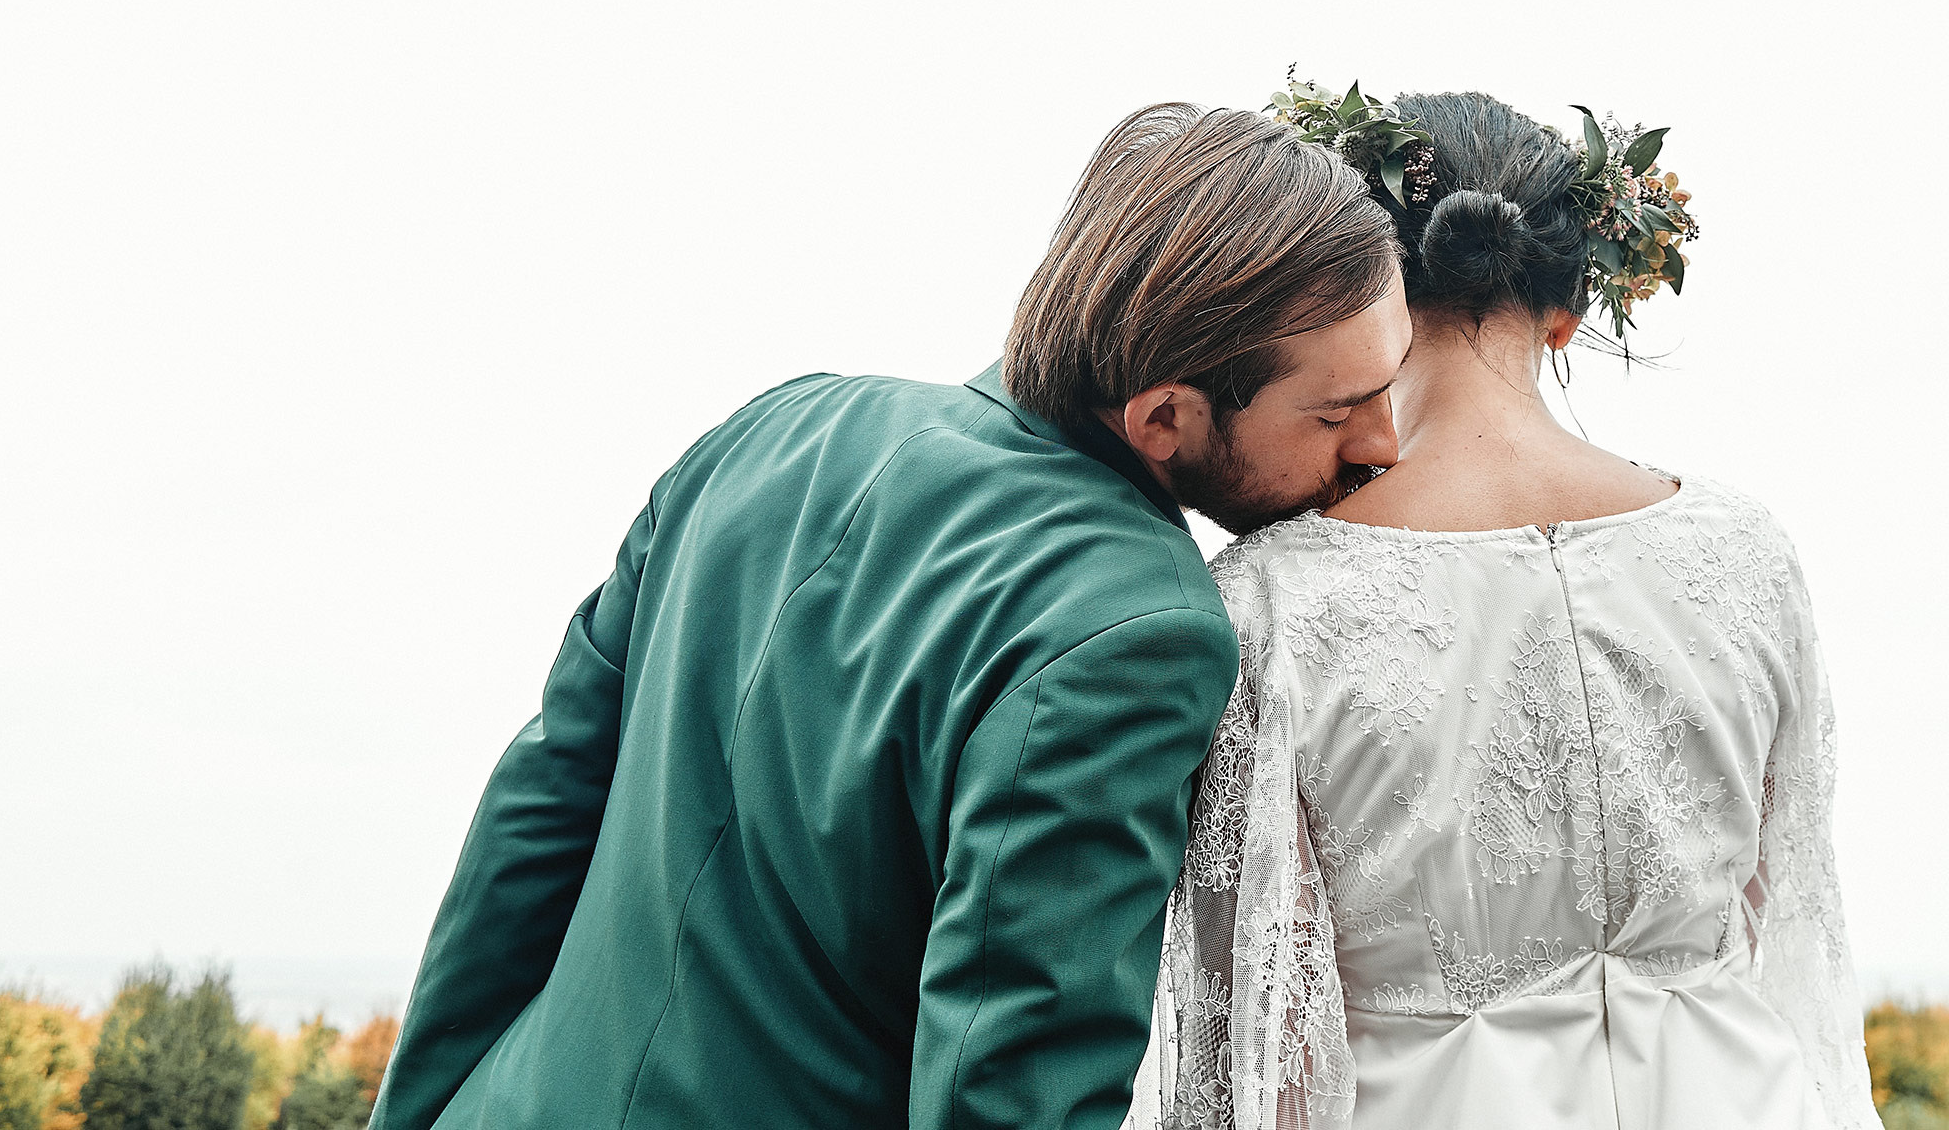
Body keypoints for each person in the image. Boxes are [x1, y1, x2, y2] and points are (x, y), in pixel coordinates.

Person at [368, 102, 1411, 1130]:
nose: (1381, 445)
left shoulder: (770, 428)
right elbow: (1004, 1093)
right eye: (1334, 412)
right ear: (1165, 417)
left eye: (1388, 385)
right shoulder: (1139, 627)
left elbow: (532, 816)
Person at [1130, 88, 1877, 1130]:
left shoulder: (1270, 602)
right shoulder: (1744, 553)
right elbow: (1772, 913)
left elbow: (1260, 1030)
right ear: (1567, 317)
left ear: (1358, 296)